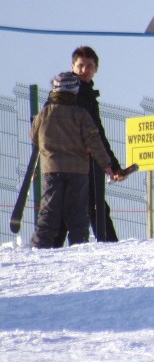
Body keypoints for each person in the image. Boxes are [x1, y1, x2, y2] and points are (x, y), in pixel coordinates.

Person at [30, 72, 115, 248]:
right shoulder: (81, 115)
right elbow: (94, 141)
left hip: (51, 169)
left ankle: (39, 245)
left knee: (49, 210)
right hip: (78, 171)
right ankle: (79, 244)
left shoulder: (44, 113)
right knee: (77, 211)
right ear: (75, 91)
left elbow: (33, 137)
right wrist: (106, 164)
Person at [58, 46, 126, 246]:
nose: (84, 70)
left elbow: (98, 133)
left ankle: (51, 246)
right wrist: (109, 164)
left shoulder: (86, 94)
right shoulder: (69, 92)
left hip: (83, 158)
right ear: (73, 66)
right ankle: (109, 244)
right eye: (81, 65)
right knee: (91, 205)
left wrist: (111, 164)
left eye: (89, 66)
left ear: (96, 68)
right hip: (77, 158)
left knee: (86, 205)